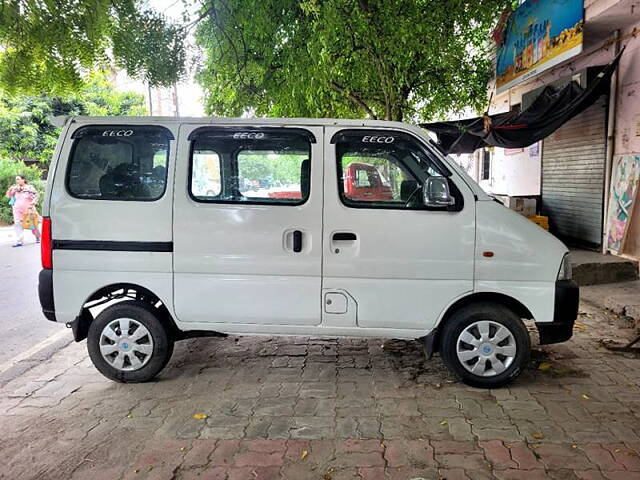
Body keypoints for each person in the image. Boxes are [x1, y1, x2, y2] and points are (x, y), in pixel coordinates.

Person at [5, 175, 40, 247]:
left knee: (33, 224)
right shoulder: (15, 188)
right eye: (16, 179)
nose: (17, 181)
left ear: (23, 180)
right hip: (17, 209)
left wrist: (33, 203)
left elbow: (36, 195)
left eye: (18, 179)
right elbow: (8, 195)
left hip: (29, 208)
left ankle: (37, 237)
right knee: (18, 224)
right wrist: (10, 189)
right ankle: (19, 241)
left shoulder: (29, 188)